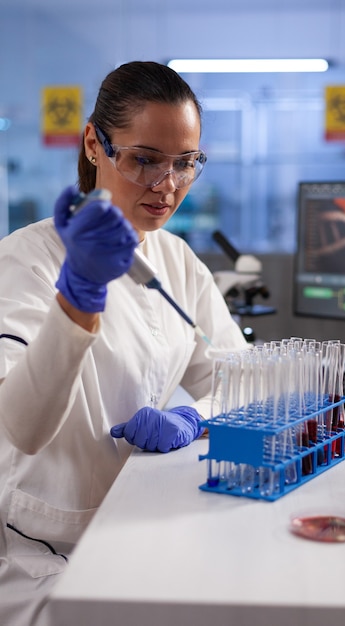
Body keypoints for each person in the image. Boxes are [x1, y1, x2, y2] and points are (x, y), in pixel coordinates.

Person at [0, 61, 247, 626]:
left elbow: (240, 377)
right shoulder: (25, 261)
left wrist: (198, 418)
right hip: (42, 553)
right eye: (144, 160)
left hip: (137, 525)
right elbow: (22, 426)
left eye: (185, 163)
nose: (167, 186)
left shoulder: (176, 260)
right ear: (95, 144)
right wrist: (78, 297)